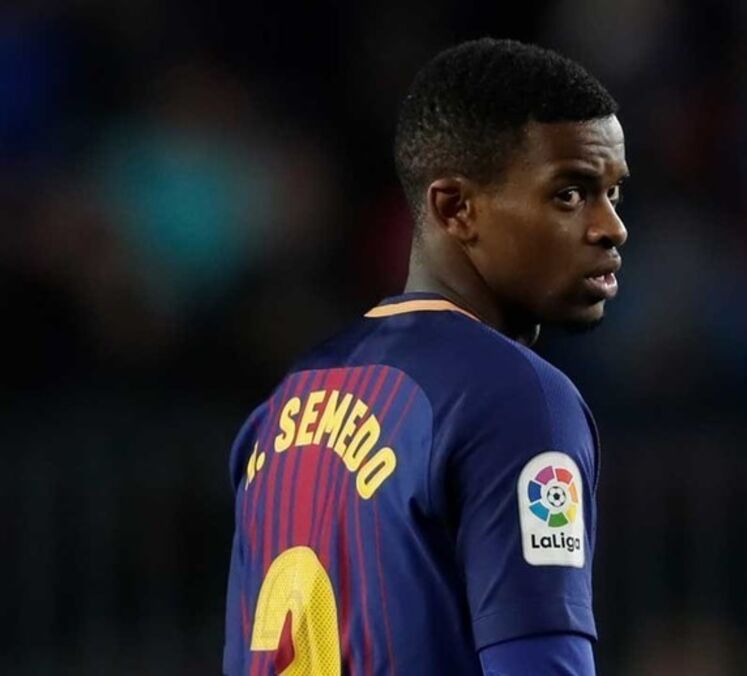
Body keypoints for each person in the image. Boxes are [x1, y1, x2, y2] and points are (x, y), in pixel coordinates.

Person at [222, 38, 628, 675]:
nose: (611, 227)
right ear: (455, 209)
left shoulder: (282, 408)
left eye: (613, 194)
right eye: (570, 194)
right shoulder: (517, 400)